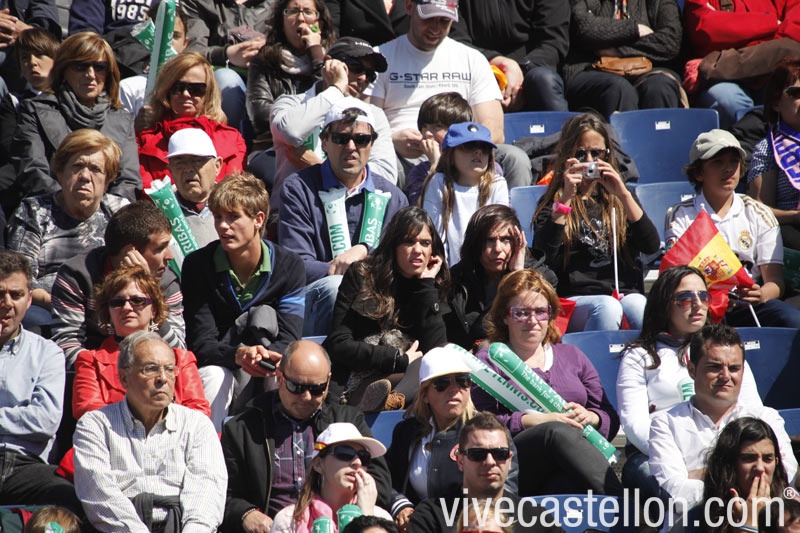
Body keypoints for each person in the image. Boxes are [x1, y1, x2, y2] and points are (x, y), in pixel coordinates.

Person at [472, 269, 623, 496]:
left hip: (574, 465)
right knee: (555, 431)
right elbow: (479, 423)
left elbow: (609, 417)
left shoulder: (573, 356)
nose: (533, 321)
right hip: (516, 461)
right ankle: (624, 504)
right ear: (505, 316)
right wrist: (533, 421)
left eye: (541, 312)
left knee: (564, 485)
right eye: (521, 313)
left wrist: (591, 417)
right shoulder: (491, 360)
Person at [617, 266, 763, 500]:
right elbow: (635, 424)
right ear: (664, 304)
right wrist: (676, 460)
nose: (697, 304)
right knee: (652, 476)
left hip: (724, 451)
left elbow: (752, 409)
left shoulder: (726, 351)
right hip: (656, 453)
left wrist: (720, 460)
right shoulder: (639, 356)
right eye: (685, 298)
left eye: (703, 296)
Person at [220, 339, 393, 533]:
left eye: (317, 388)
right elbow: (222, 493)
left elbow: (380, 484)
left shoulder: (348, 420)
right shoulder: (243, 428)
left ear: (328, 381)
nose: (307, 397)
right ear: (280, 378)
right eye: (297, 387)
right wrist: (246, 513)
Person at [364, 0, 532, 190]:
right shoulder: (380, 58)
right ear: (409, 7)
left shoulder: (472, 59)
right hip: (403, 156)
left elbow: (494, 131)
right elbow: (366, 122)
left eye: (444, 21)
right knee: (381, 164)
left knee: (514, 159)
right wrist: (391, 140)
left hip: (464, 152)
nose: (436, 28)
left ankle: (506, 210)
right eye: (428, 19)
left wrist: (456, 147)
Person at [181, 172, 305, 430]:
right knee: (214, 375)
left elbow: (290, 337)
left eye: (233, 217)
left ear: (258, 219)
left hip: (268, 363)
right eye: (218, 217)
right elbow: (201, 343)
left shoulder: (290, 265)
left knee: (282, 369)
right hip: (221, 365)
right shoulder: (197, 265)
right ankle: (206, 447)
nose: (223, 226)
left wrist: (263, 357)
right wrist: (238, 355)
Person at [73, 331, 227, 532]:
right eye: (151, 369)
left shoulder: (197, 424)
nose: (162, 378)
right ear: (124, 378)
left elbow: (207, 490)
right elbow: (98, 492)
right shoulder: (96, 425)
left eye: (169, 370)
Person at [279, 99, 407, 337]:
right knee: (335, 287)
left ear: (372, 144)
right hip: (317, 299)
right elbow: (297, 264)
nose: (351, 147)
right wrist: (349, 271)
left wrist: (363, 251)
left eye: (361, 139)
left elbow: (401, 263)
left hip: (377, 300)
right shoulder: (298, 188)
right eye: (341, 138)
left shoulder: (393, 197)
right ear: (324, 141)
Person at [648, 324, 797, 510]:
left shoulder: (767, 418)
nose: (726, 376)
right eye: (715, 367)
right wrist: (743, 477)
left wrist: (704, 474)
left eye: (734, 368)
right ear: (692, 370)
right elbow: (677, 493)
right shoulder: (665, 424)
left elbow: (784, 477)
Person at [534, 113, 659, 331]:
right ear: (567, 156)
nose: (589, 161)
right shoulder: (553, 202)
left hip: (622, 292)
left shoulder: (620, 199)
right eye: (581, 154)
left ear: (607, 154)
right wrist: (566, 198)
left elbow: (651, 245)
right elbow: (543, 256)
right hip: (576, 298)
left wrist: (624, 194)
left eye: (597, 153)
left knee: (640, 305)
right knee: (607, 307)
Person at [666, 129, 800, 328]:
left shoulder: (759, 213)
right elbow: (677, 277)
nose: (728, 169)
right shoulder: (681, 215)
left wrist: (761, 294)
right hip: (701, 305)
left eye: (734, 161)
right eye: (718, 162)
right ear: (699, 172)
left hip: (749, 306)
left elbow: (775, 282)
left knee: (793, 321)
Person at [324, 206, 449, 408]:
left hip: (410, 381)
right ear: (394, 245)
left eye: (425, 243)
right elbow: (338, 343)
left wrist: (426, 287)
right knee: (416, 367)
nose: (418, 250)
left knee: (432, 363)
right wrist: (397, 359)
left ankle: (392, 401)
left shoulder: (433, 286)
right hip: (358, 377)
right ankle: (379, 400)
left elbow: (437, 350)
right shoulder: (363, 275)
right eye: (409, 242)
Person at [6, 129, 129, 328]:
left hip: (106, 307)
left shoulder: (119, 212)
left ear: (108, 180)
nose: (85, 176)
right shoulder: (34, 211)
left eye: (95, 169)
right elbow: (20, 278)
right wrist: (61, 304)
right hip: (46, 306)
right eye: (77, 166)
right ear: (61, 173)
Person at [386, 346, 518, 530]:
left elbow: (506, 489)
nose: (454, 389)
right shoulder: (406, 431)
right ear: (425, 394)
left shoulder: (489, 431)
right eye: (442, 383)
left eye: (463, 381)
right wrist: (400, 504)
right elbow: (384, 478)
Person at [10, 31, 140, 202]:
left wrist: (101, 210)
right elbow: (32, 171)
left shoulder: (122, 118)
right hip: (51, 208)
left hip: (109, 213)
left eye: (99, 67)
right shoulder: (35, 110)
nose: (90, 74)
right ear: (63, 70)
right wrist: (70, 203)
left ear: (109, 72)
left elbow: (129, 181)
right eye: (80, 67)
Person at [51, 201, 184, 368]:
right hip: (95, 371)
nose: (170, 256)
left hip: (152, 371)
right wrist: (111, 372)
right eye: (160, 248)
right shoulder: (77, 276)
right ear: (131, 252)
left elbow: (178, 352)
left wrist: (150, 291)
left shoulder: (166, 281)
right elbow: (66, 347)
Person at [0, 251, 82, 513]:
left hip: (25, 465)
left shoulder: (48, 353)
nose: (6, 303)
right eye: (0, 294)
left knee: (74, 497)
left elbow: (45, 421)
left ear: (29, 299)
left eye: (16, 295)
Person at [269, 36, 396, 203]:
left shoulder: (373, 115)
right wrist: (337, 89)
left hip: (350, 211)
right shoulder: (291, 104)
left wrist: (319, 167)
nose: (363, 78)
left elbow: (386, 176)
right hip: (293, 207)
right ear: (328, 63)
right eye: (355, 67)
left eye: (370, 75)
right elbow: (292, 132)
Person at [72, 265, 209, 420]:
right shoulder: (90, 361)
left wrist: (158, 422)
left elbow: (199, 412)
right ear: (108, 311)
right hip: (111, 434)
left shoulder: (181, 359)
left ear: (154, 310)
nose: (126, 307)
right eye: (117, 302)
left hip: (173, 433)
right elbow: (85, 409)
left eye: (137, 301)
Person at [407, 412, 556, 533]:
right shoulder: (431, 517)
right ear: (460, 461)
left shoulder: (536, 519)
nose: (490, 462)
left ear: (510, 460)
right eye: (477, 454)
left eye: (500, 454)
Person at [446, 204, 556, 351]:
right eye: (489, 240)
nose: (497, 249)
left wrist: (517, 275)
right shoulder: (456, 280)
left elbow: (527, 329)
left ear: (518, 242)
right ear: (475, 244)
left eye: (506, 239)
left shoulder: (543, 279)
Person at [135, 52, 246, 188]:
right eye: (178, 88)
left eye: (196, 89)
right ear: (167, 90)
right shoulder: (145, 140)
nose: (186, 94)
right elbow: (145, 190)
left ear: (208, 93)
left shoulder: (232, 139)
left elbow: (233, 191)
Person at [563, 0, 683, 119]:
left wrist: (617, 50)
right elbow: (583, 27)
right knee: (618, 88)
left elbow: (670, 42)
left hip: (650, 67)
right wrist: (634, 29)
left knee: (659, 87)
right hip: (591, 66)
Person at [246, 0, 336, 157]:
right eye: (293, 12)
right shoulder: (264, 60)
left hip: (323, 146)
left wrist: (316, 56)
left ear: (319, 24)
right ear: (282, 22)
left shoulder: (333, 61)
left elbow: (330, 104)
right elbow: (259, 114)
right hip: (272, 146)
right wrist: (298, 121)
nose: (300, 18)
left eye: (308, 12)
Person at [450, 0, 570, 112]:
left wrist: (521, 72)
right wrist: (500, 63)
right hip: (479, 65)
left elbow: (553, 41)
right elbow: (455, 39)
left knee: (543, 81)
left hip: (532, 69)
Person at [271, 422, 393, 532]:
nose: (357, 462)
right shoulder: (289, 520)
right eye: (345, 453)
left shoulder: (381, 519)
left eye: (364, 456)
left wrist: (366, 518)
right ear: (318, 464)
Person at [421, 121, 509, 265]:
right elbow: (435, 237)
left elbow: (499, 233)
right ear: (450, 154)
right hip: (449, 270)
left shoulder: (497, 184)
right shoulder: (439, 182)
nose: (478, 152)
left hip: (488, 268)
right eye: (469, 146)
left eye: (484, 148)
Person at [182, 0, 268, 134]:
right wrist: (227, 54)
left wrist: (268, 50)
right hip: (218, 80)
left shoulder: (277, 3)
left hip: (269, 76)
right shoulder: (200, 3)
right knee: (228, 80)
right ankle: (230, 141)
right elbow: (192, 51)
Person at [0, 27, 59, 218]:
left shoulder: (69, 100)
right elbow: (10, 145)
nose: (32, 62)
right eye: (25, 58)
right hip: (20, 174)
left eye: (40, 55)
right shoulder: (14, 101)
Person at [702, 417, 790, 533]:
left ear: (776, 462)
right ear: (729, 464)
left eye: (768, 459)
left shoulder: (793, 512)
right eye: (748, 458)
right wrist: (749, 523)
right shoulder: (695, 518)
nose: (760, 468)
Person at [747, 57, 800, 250]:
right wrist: (795, 217)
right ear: (776, 102)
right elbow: (759, 211)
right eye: (796, 93)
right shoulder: (768, 149)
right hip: (792, 231)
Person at [405, 92, 476, 206]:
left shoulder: (478, 165)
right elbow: (421, 208)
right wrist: (436, 164)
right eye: (424, 126)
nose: (427, 133)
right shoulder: (421, 171)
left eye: (438, 126)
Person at [165, 128, 224, 247]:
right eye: (179, 163)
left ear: (217, 166)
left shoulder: (236, 206)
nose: (188, 169)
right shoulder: (163, 213)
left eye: (197, 161)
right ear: (170, 170)